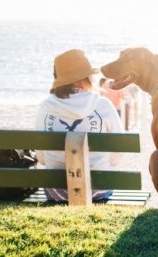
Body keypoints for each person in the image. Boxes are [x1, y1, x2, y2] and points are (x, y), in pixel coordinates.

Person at [35, 49, 123, 201]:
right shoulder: (103, 105)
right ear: (87, 77)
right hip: (98, 188)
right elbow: (118, 151)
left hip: (56, 190)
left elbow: (41, 157)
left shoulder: (46, 107)